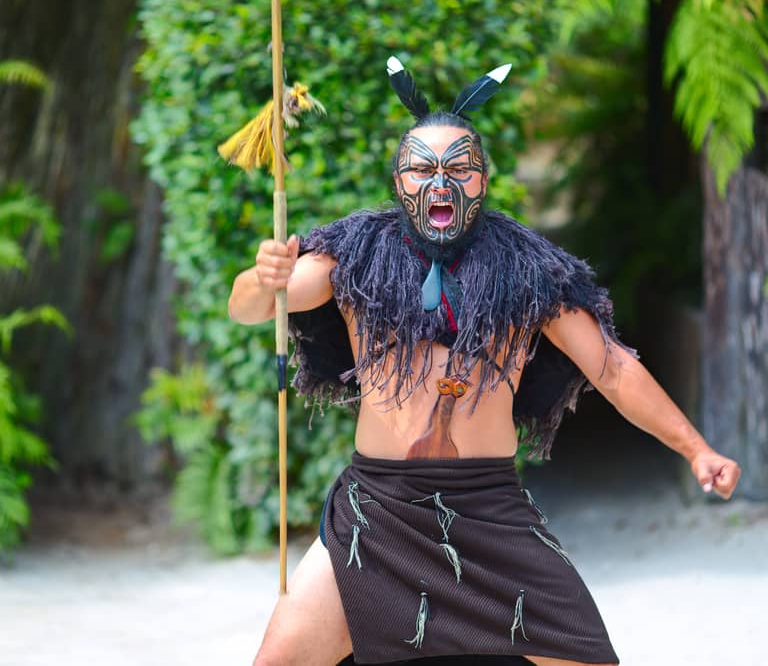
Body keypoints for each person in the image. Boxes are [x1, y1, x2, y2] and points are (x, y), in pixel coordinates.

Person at [228, 58, 741, 666]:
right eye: (422, 168)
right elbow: (252, 307)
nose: (440, 182)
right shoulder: (355, 255)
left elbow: (612, 368)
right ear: (399, 182)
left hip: (489, 511)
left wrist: (695, 448)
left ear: (482, 182)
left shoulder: (529, 271)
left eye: (459, 169)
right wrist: (265, 279)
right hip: (378, 510)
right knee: (278, 660)